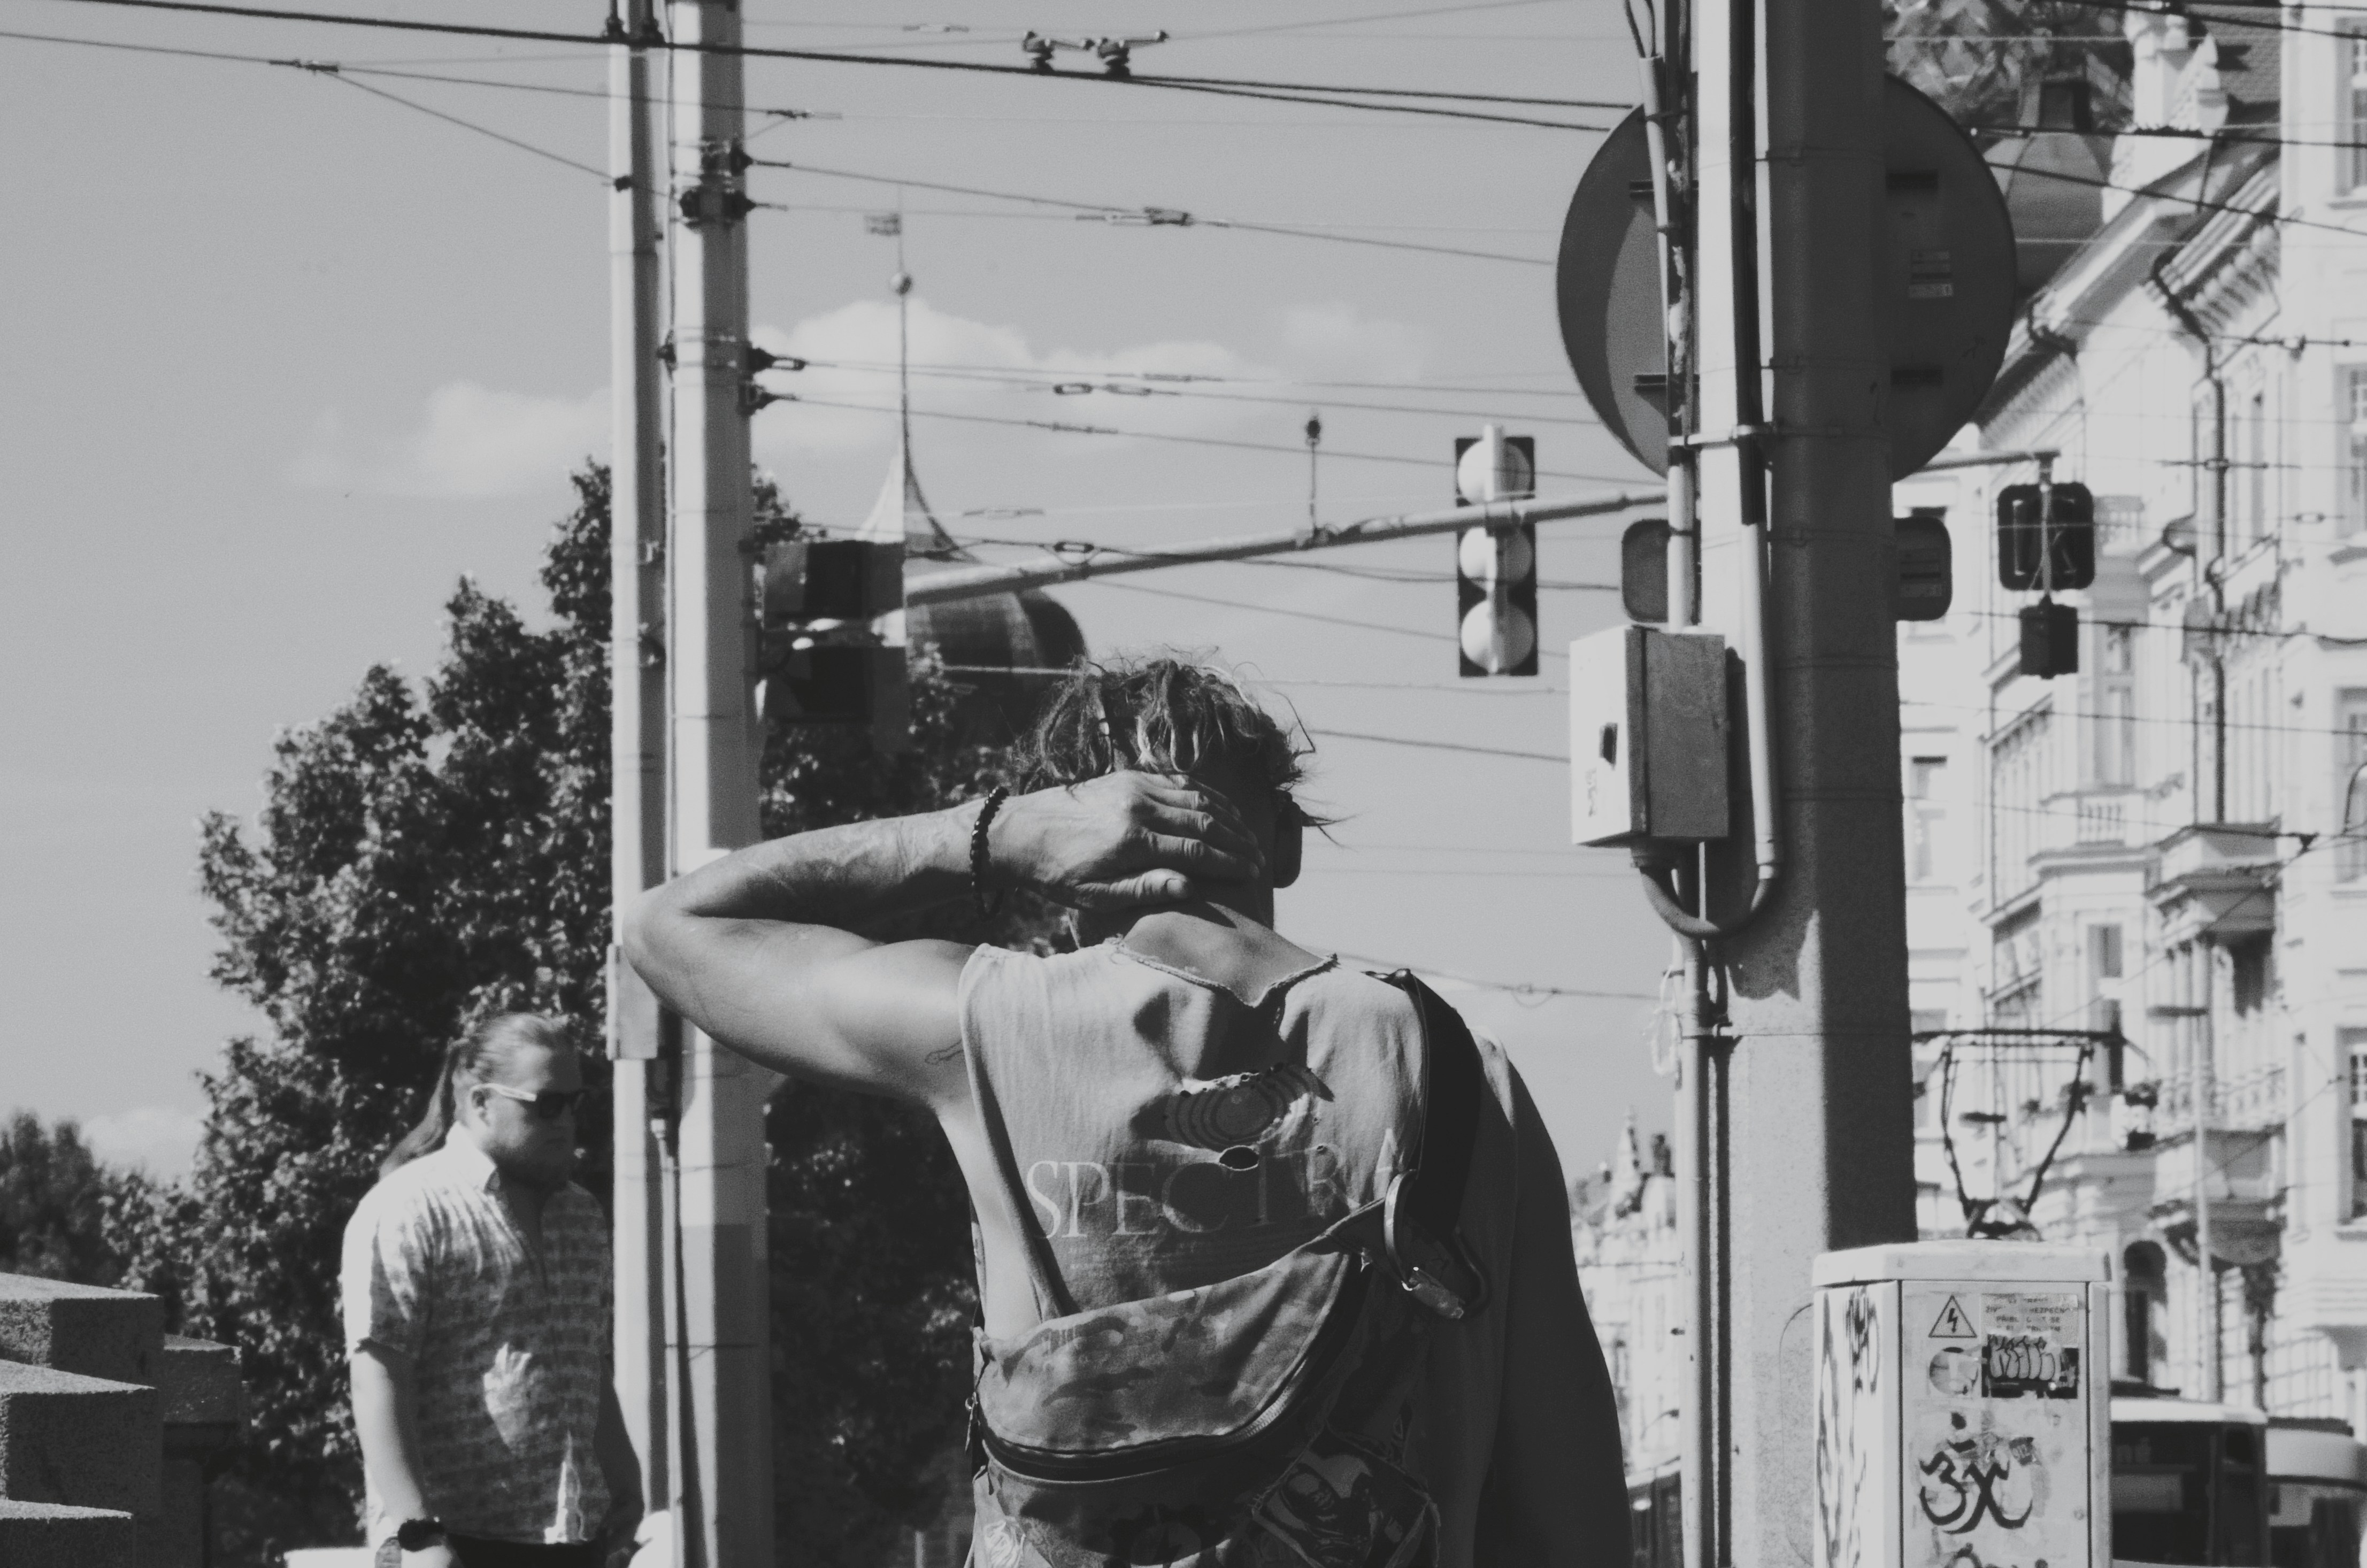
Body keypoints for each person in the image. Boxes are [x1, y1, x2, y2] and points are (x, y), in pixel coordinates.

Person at [625, 656, 1626, 1566]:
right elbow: (1569, 1513)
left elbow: (671, 928)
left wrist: (996, 834)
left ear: (1067, 864)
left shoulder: (989, 1030)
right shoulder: (1455, 1071)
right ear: (1283, 843)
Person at [342, 1013, 644, 1568]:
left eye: (575, 1102)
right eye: (546, 1104)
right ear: (481, 1101)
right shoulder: (409, 1206)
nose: (566, 1121)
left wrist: (623, 1473)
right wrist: (418, 1536)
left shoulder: (580, 1213)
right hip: (452, 1546)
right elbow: (377, 1373)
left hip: (573, 1540)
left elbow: (586, 1360)